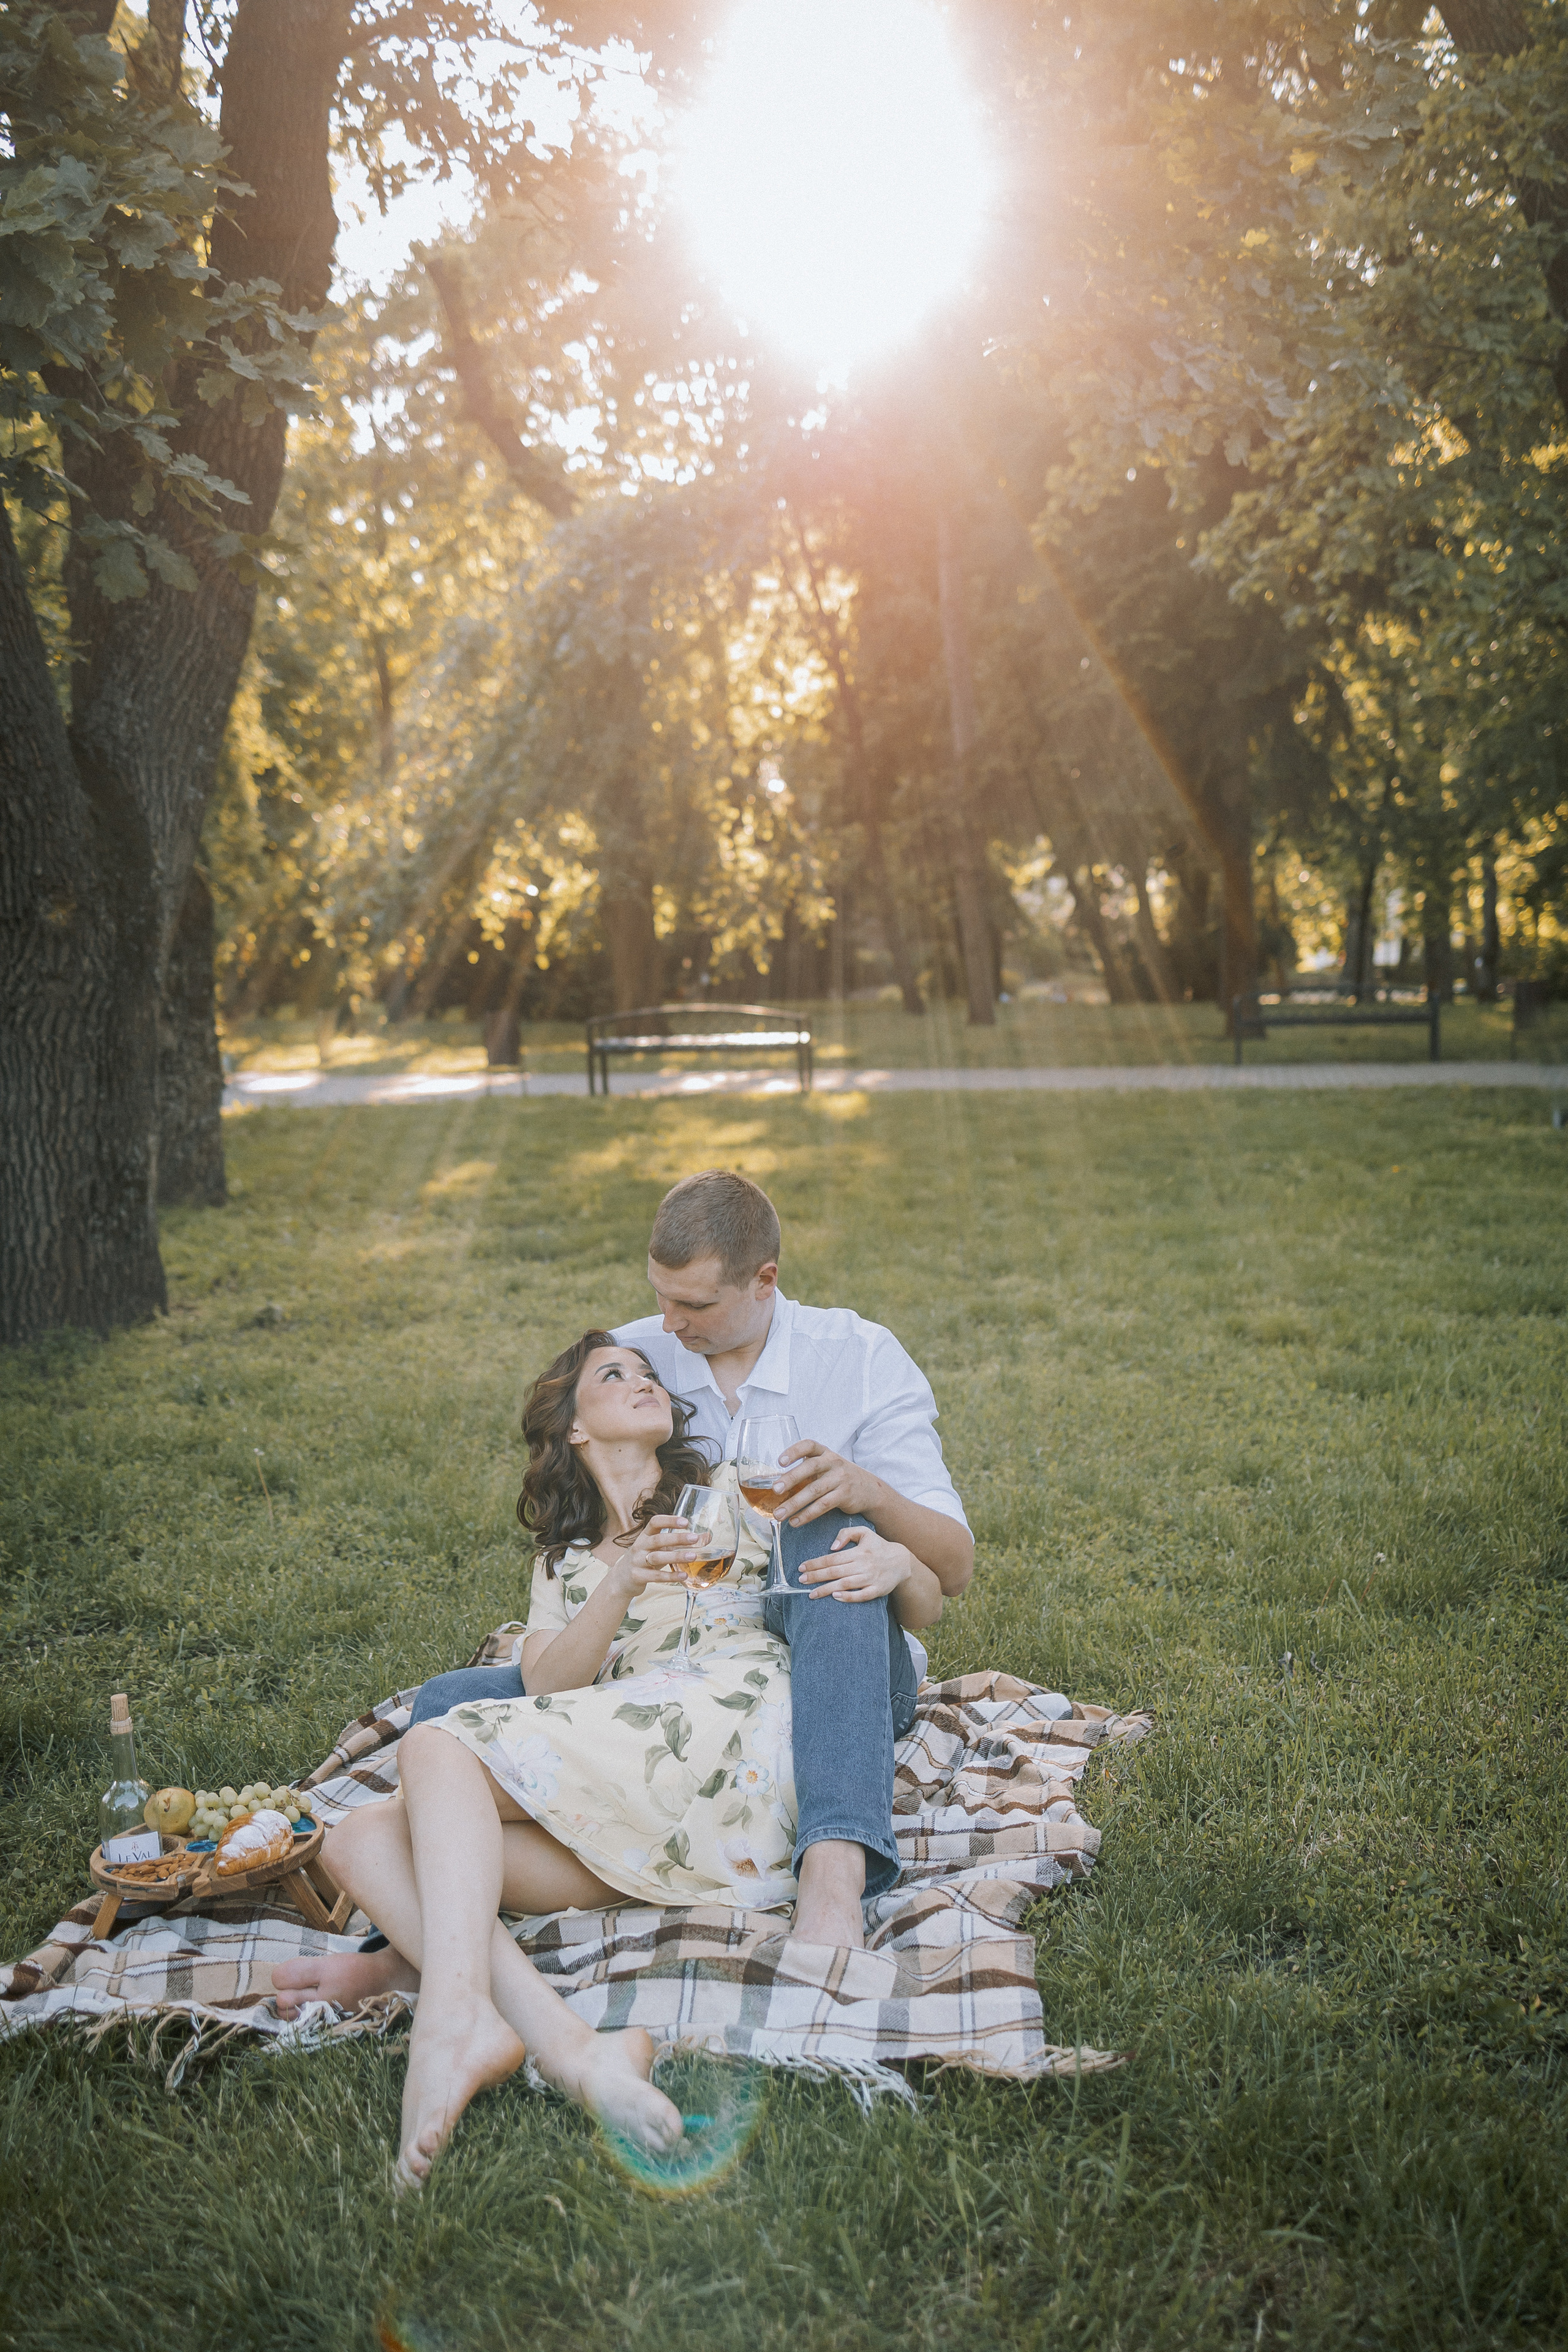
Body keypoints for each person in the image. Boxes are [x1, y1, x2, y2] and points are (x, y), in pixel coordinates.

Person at [273, 1328, 943, 2185]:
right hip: (652, 1805)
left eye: (648, 1373)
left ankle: (454, 2013)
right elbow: (549, 1682)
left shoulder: (736, 1492)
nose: (642, 1380)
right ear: (575, 1431)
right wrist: (622, 1580)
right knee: (358, 1836)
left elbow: (891, 1598)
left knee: (439, 1742)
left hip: (740, 1739)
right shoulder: (565, 1566)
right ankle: (573, 2051)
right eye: (612, 1374)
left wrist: (900, 1565)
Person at [618, 1169, 974, 1950]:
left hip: (841, 1672)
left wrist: (868, 1491)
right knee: (450, 1703)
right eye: (660, 1297)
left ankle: (834, 1878)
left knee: (825, 1517)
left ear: (765, 1281)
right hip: (689, 1660)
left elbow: (952, 1569)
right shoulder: (631, 1361)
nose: (669, 1324)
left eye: (697, 1305)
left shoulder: (858, 1356)